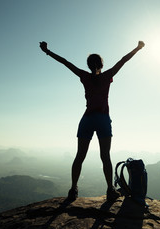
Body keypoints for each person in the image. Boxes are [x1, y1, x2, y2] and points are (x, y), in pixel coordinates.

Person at [39, 40, 145, 202]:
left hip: (87, 119)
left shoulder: (84, 76)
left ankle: (73, 189)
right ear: (101, 64)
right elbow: (123, 60)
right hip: (102, 119)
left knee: (80, 156)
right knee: (105, 156)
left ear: (89, 65)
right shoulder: (107, 76)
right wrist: (138, 48)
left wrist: (47, 51)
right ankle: (110, 189)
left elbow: (65, 62)